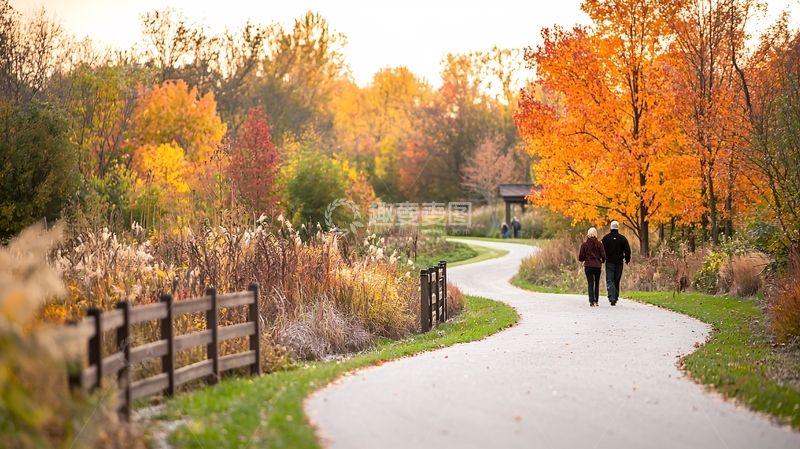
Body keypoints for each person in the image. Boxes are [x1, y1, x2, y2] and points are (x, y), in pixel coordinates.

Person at [601, 221, 631, 306]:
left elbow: (602, 250)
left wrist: (603, 259)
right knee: (617, 279)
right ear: (618, 228)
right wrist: (627, 259)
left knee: (610, 279)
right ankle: (616, 296)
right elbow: (627, 250)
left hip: (609, 262)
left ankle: (612, 297)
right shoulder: (622, 238)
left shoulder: (606, 238)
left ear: (610, 228)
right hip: (619, 262)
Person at [579, 227, 606, 307]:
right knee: (597, 283)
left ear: (588, 234)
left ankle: (591, 301)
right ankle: (596, 300)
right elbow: (604, 255)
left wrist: (585, 259)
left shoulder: (584, 244)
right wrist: (602, 261)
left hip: (588, 266)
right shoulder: (599, 244)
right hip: (597, 266)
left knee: (590, 283)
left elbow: (580, 257)